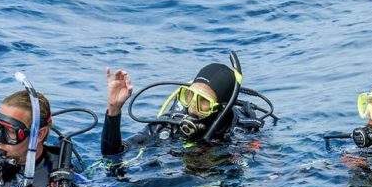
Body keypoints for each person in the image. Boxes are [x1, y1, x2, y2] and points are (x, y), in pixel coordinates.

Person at [101, 57, 274, 157]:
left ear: (221, 108)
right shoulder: (167, 126)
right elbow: (114, 154)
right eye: (189, 96)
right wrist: (114, 110)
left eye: (203, 101)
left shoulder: (240, 134)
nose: (191, 107)